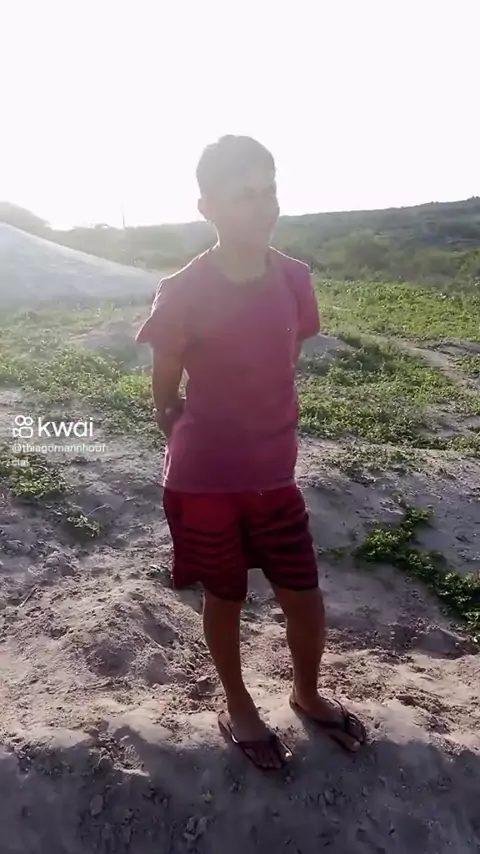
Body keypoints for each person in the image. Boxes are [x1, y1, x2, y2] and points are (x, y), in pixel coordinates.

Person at [136, 135, 366, 770]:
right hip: (205, 481)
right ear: (207, 207)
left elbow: (281, 359)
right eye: (245, 196)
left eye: (270, 192)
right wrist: (184, 436)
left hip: (274, 476)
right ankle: (238, 706)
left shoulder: (294, 278)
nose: (264, 208)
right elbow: (165, 388)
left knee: (303, 594)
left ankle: (307, 693)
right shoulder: (182, 291)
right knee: (225, 596)